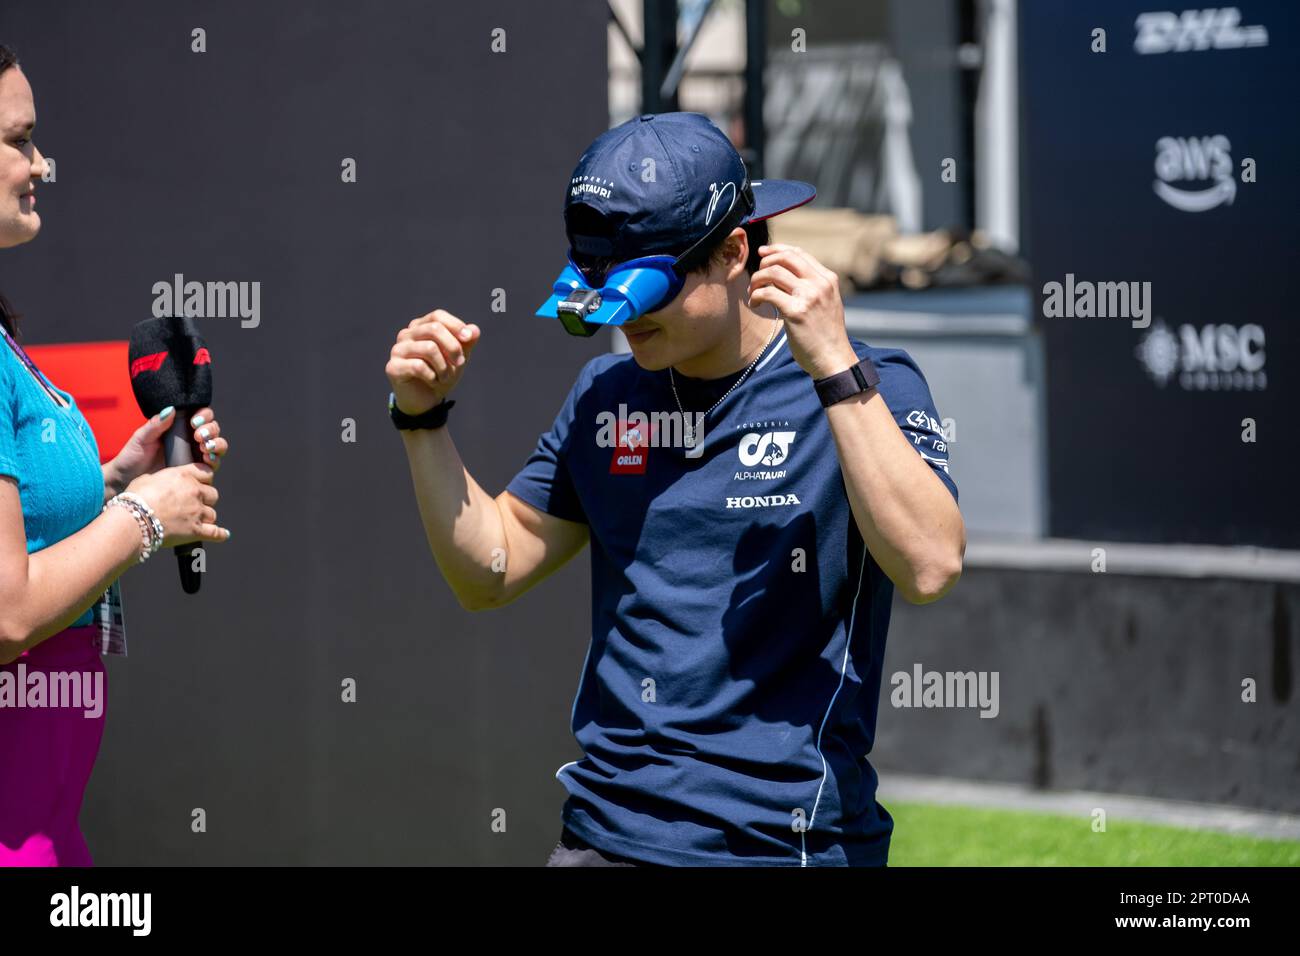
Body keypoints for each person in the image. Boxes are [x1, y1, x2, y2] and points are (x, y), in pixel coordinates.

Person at [385, 112, 964, 866]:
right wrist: (420, 419)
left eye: (643, 288)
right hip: (603, 835)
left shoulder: (860, 384)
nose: (622, 319)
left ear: (732, 253)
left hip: (779, 844)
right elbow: (488, 572)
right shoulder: (606, 394)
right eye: (599, 282)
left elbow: (929, 567)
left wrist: (832, 365)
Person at [0, 44, 233, 866]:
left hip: (50, 838)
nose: (41, 164)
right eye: (20, 140)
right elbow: (6, 615)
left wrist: (115, 480)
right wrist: (143, 518)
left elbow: (20, 533)